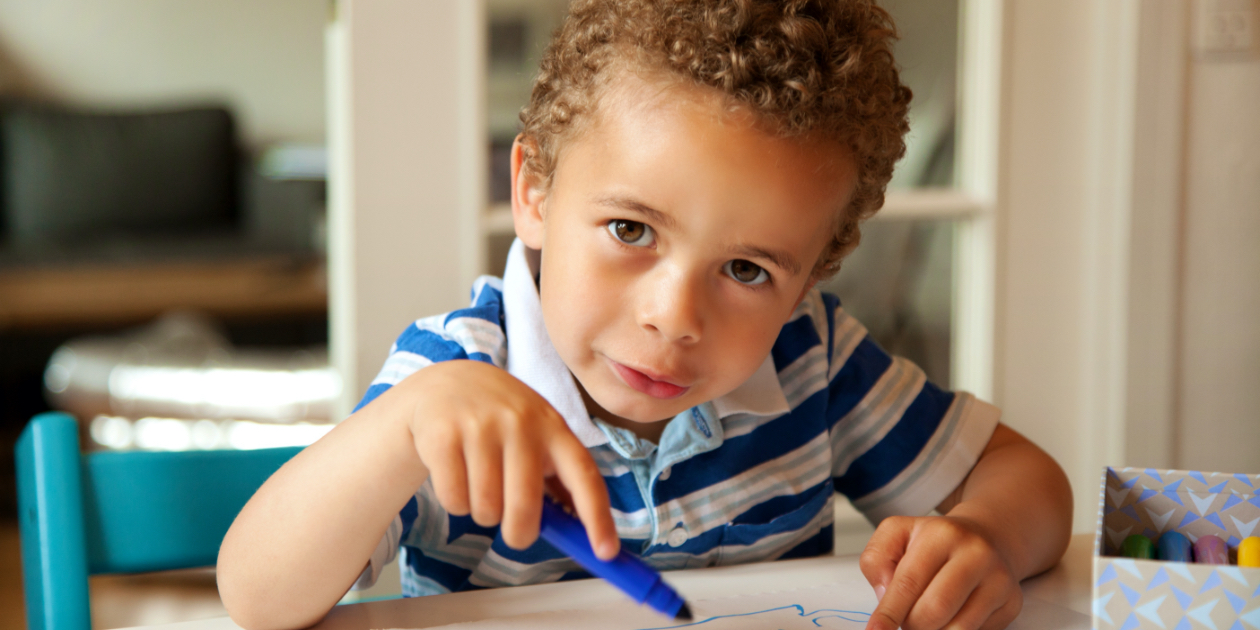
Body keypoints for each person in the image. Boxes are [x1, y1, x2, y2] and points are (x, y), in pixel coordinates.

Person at [217, 1, 1073, 629]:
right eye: (631, 230)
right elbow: (255, 595)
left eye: (746, 269)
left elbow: (1029, 482)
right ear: (535, 191)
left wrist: (983, 536)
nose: (674, 316)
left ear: (811, 274)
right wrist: (404, 426)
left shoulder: (812, 356)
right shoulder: (454, 380)